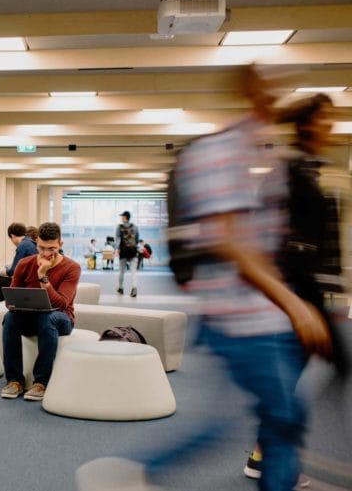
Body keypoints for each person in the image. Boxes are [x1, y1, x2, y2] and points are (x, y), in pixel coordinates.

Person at [80, 65, 332, 491]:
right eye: (268, 86)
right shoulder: (220, 152)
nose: (277, 94)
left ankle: (132, 473)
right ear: (250, 91)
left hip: (257, 315)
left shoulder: (259, 150)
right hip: (238, 316)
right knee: (280, 417)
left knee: (249, 421)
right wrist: (295, 305)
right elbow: (231, 243)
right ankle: (133, 471)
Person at [243, 93, 348, 482]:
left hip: (316, 292)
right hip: (296, 294)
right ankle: (273, 453)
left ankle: (268, 452)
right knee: (303, 375)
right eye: (324, 118)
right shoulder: (286, 172)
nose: (331, 125)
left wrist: (335, 293)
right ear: (307, 123)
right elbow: (267, 240)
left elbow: (327, 242)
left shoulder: (322, 172)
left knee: (311, 373)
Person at [0, 222, 81, 401]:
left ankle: (41, 382)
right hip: (31, 318)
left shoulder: (72, 267)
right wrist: (15, 305)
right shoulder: (24, 264)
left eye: (52, 248)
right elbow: (10, 301)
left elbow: (62, 304)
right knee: (10, 318)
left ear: (60, 244)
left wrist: (43, 276)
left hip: (61, 319)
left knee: (48, 317)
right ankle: (14, 380)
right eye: (42, 248)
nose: (46, 253)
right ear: (36, 242)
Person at [0, 222, 37, 303]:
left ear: (12, 236)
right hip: (33, 280)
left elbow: (13, 271)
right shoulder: (31, 243)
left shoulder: (22, 246)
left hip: (26, 284)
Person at [115, 211, 140, 297]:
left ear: (125, 217)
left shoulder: (119, 227)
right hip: (133, 251)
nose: (121, 218)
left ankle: (120, 288)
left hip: (124, 251)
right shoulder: (135, 227)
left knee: (122, 271)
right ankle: (134, 288)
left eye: (122, 216)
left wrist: (117, 249)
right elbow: (137, 239)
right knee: (134, 272)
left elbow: (117, 239)